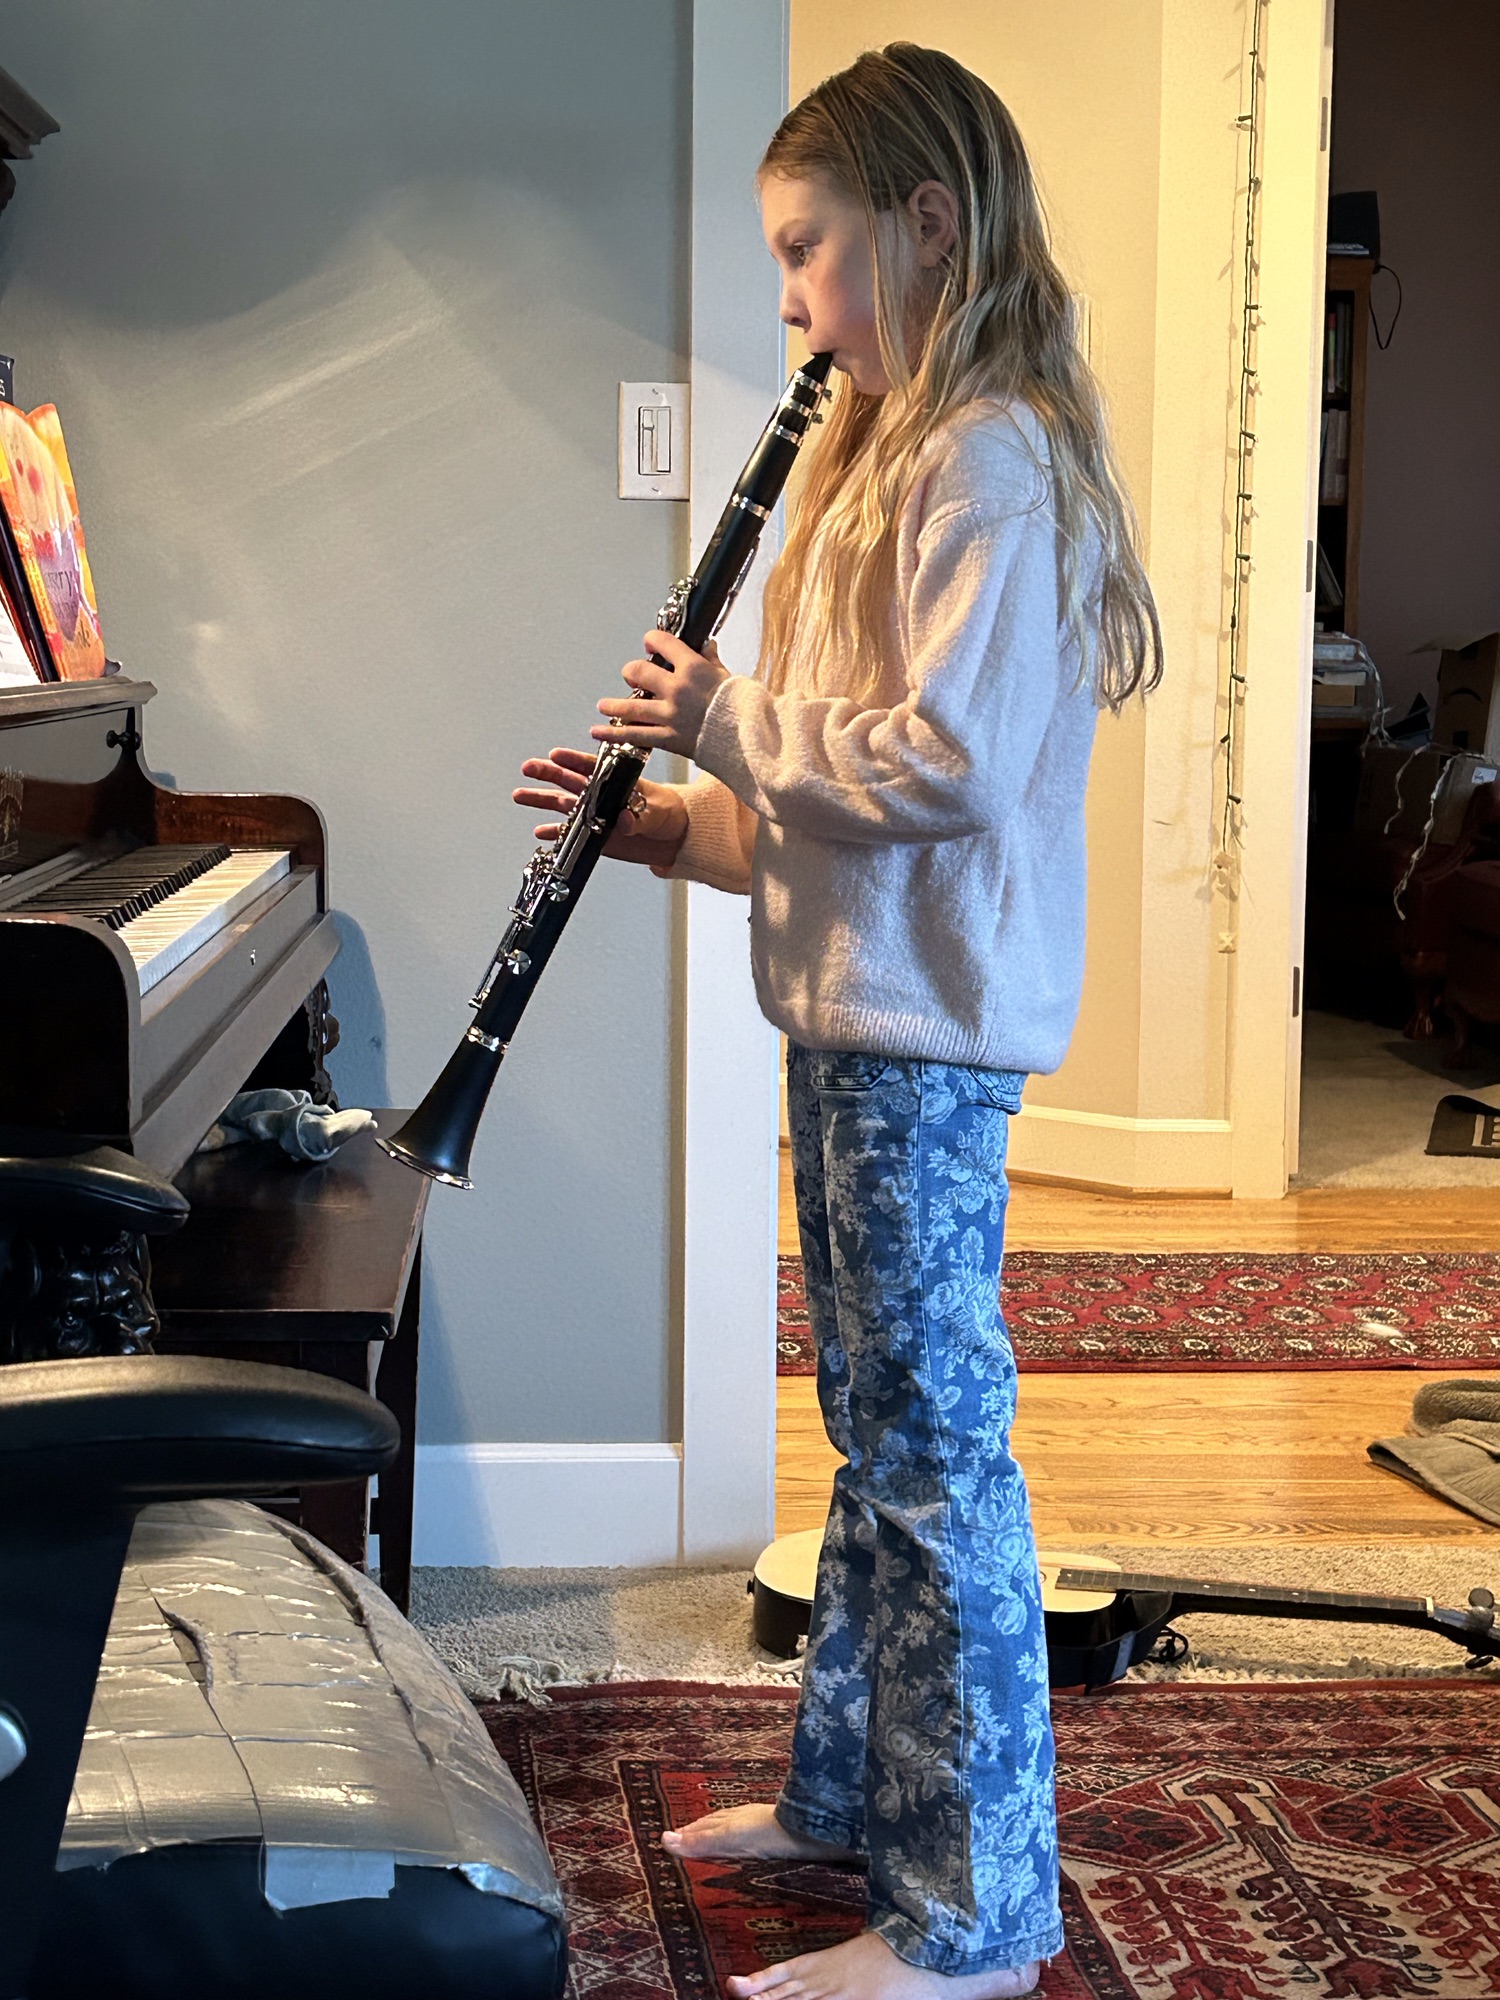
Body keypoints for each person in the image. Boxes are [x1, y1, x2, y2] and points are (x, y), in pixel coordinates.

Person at [515, 42, 1161, 2000]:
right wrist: (673, 824)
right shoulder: (885, 457)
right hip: (856, 1020)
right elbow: (830, 815)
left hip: (926, 1046)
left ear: (927, 226)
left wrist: (723, 722)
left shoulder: (991, 459)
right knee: (880, 1434)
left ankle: (976, 1915)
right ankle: (851, 1800)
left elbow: (941, 767)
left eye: (808, 250)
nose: (789, 300)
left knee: (941, 1458)